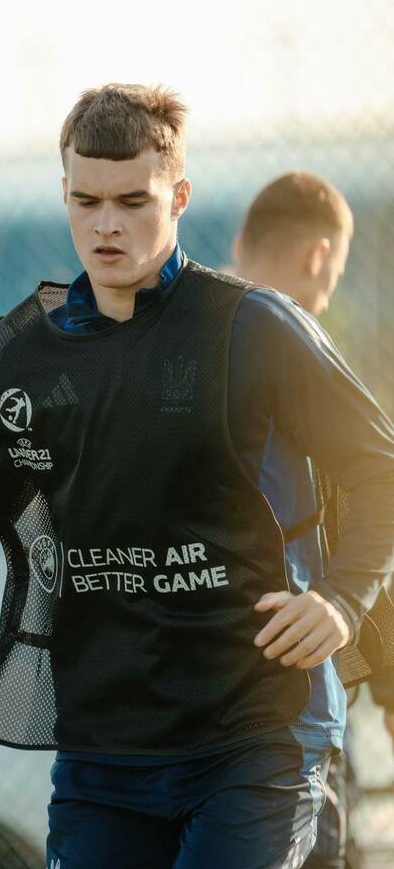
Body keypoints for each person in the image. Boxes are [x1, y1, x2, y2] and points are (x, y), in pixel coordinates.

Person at [0, 84, 394, 868]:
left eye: (133, 201)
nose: (106, 224)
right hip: (105, 750)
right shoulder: (31, 355)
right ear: (64, 194)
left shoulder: (252, 327)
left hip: (257, 733)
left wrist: (342, 596)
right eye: (86, 201)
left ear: (179, 197)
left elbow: (379, 467)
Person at [233, 171, 394, 869]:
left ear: (241, 244)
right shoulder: (303, 359)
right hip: (295, 691)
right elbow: (358, 517)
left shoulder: (184, 344)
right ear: (319, 255)